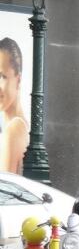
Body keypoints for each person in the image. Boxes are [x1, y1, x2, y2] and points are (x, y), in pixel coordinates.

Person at [0, 39, 28, 174]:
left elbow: (4, 193)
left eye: (2, 76)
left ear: (18, 79)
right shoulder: (19, 126)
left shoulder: (13, 130)